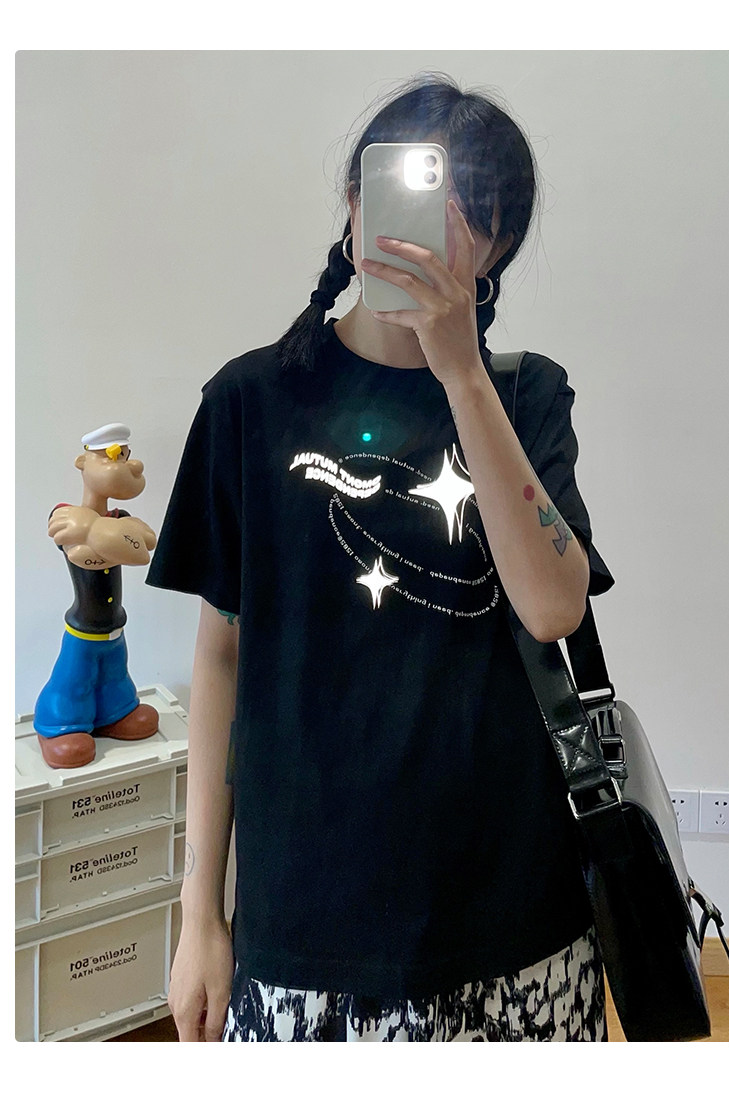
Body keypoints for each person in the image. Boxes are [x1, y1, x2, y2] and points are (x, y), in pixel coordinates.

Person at [146, 72, 615, 1042]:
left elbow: (553, 606)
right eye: (416, 191)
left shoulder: (526, 396)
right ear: (357, 204)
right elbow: (221, 657)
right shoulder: (249, 403)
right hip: (302, 928)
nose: (439, 230)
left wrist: (460, 372)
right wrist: (199, 914)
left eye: (473, 211)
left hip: (515, 920)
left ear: (499, 247)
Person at [34, 423, 159, 769]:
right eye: (113, 456)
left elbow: (144, 546)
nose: (130, 465)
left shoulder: (117, 517)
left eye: (126, 455)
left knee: (116, 676)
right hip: (83, 631)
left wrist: (92, 529)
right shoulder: (62, 514)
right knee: (73, 679)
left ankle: (114, 714)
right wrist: (112, 538)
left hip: (115, 630)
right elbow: (82, 553)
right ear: (82, 463)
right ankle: (60, 725)